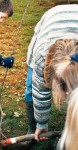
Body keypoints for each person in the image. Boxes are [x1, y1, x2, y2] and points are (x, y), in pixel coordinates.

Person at [24, 4, 78, 142]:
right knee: (32, 87)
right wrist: (42, 123)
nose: (66, 95)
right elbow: (40, 92)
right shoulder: (41, 57)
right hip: (51, 21)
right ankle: (32, 127)